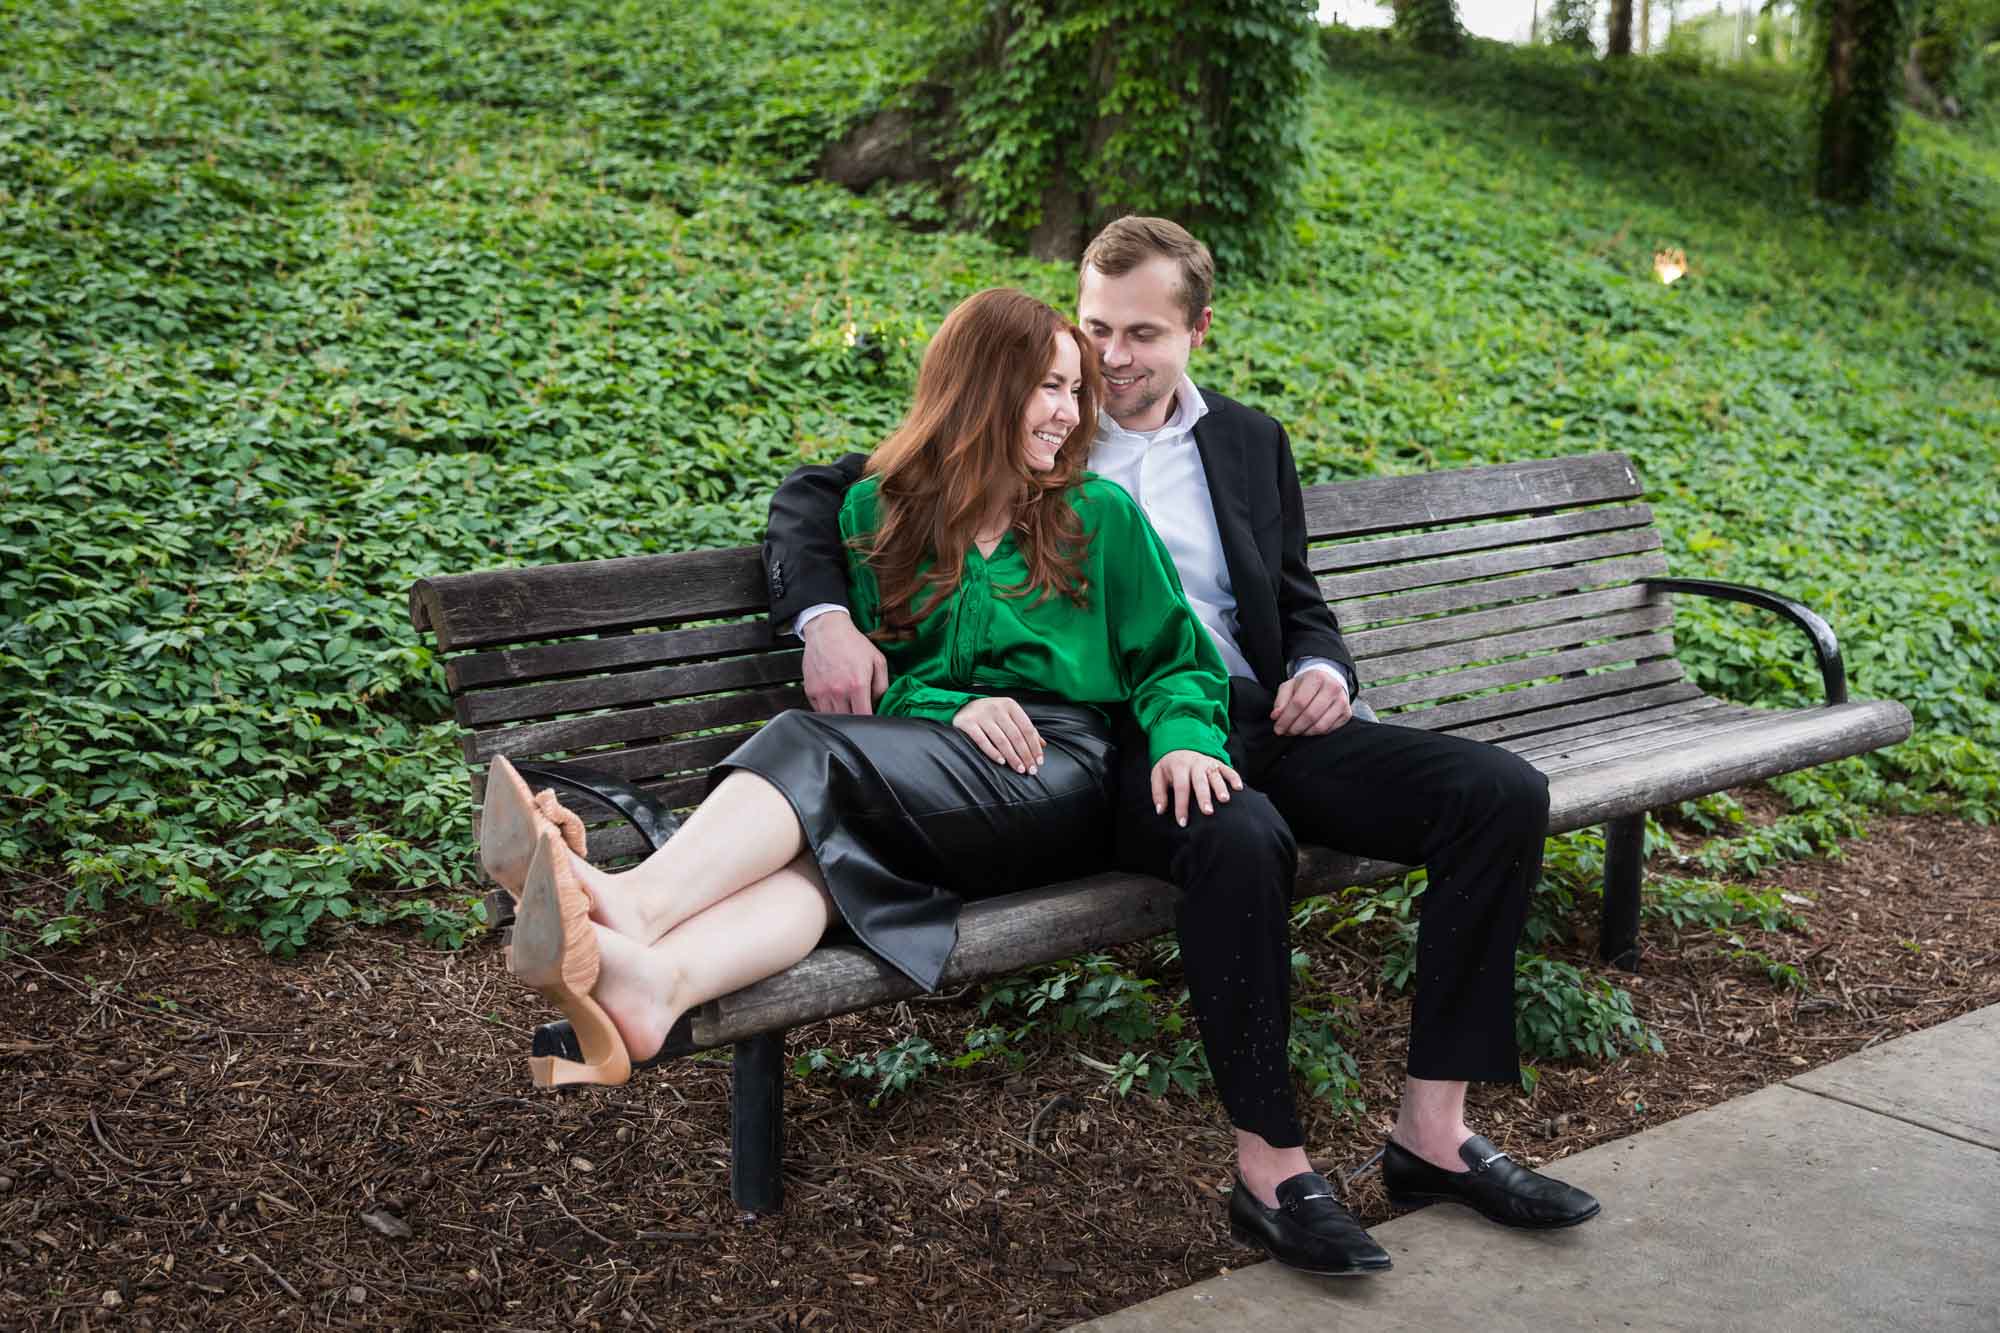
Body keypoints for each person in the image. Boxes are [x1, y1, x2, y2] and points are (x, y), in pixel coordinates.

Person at [763, 217, 1599, 1277]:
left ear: (1197, 330)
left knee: (1496, 793)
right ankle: (1271, 1167)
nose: (1110, 359)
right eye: (1096, 327)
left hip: (1241, 713)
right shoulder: (1037, 415)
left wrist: (1320, 670)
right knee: (1236, 837)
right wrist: (824, 621)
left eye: (1142, 334)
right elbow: (826, 495)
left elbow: (1296, 598)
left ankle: (1431, 1132)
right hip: (1094, 743)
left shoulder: (1246, 442)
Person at [481, 287, 1244, 1100]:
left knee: (809, 743)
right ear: (983, 387)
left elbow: (1176, 658)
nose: (1071, 411)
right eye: (1049, 386)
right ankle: (655, 984)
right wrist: (955, 705)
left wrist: (1185, 735)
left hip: (1056, 771)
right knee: (829, 861)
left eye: (1075, 389)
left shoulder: (1098, 515)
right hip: (935, 775)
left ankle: (630, 905)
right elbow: (895, 680)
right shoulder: (879, 512)